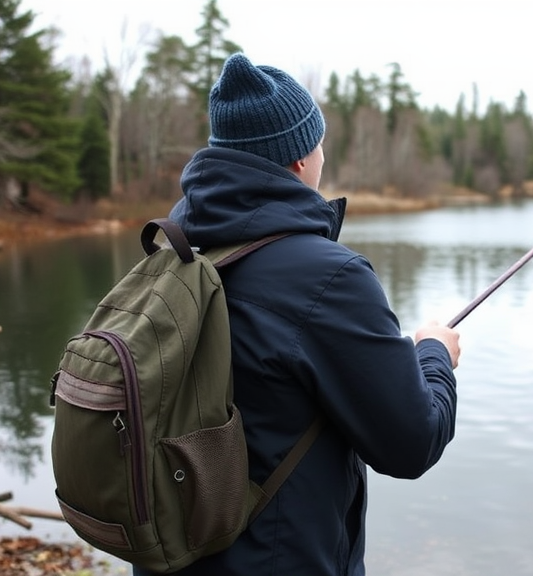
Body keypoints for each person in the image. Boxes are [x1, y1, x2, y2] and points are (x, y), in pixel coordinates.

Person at [132, 53, 461, 576]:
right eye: (319, 141)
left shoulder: (172, 253)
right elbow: (412, 442)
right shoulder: (330, 278)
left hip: (172, 560)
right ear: (300, 160)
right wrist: (434, 354)